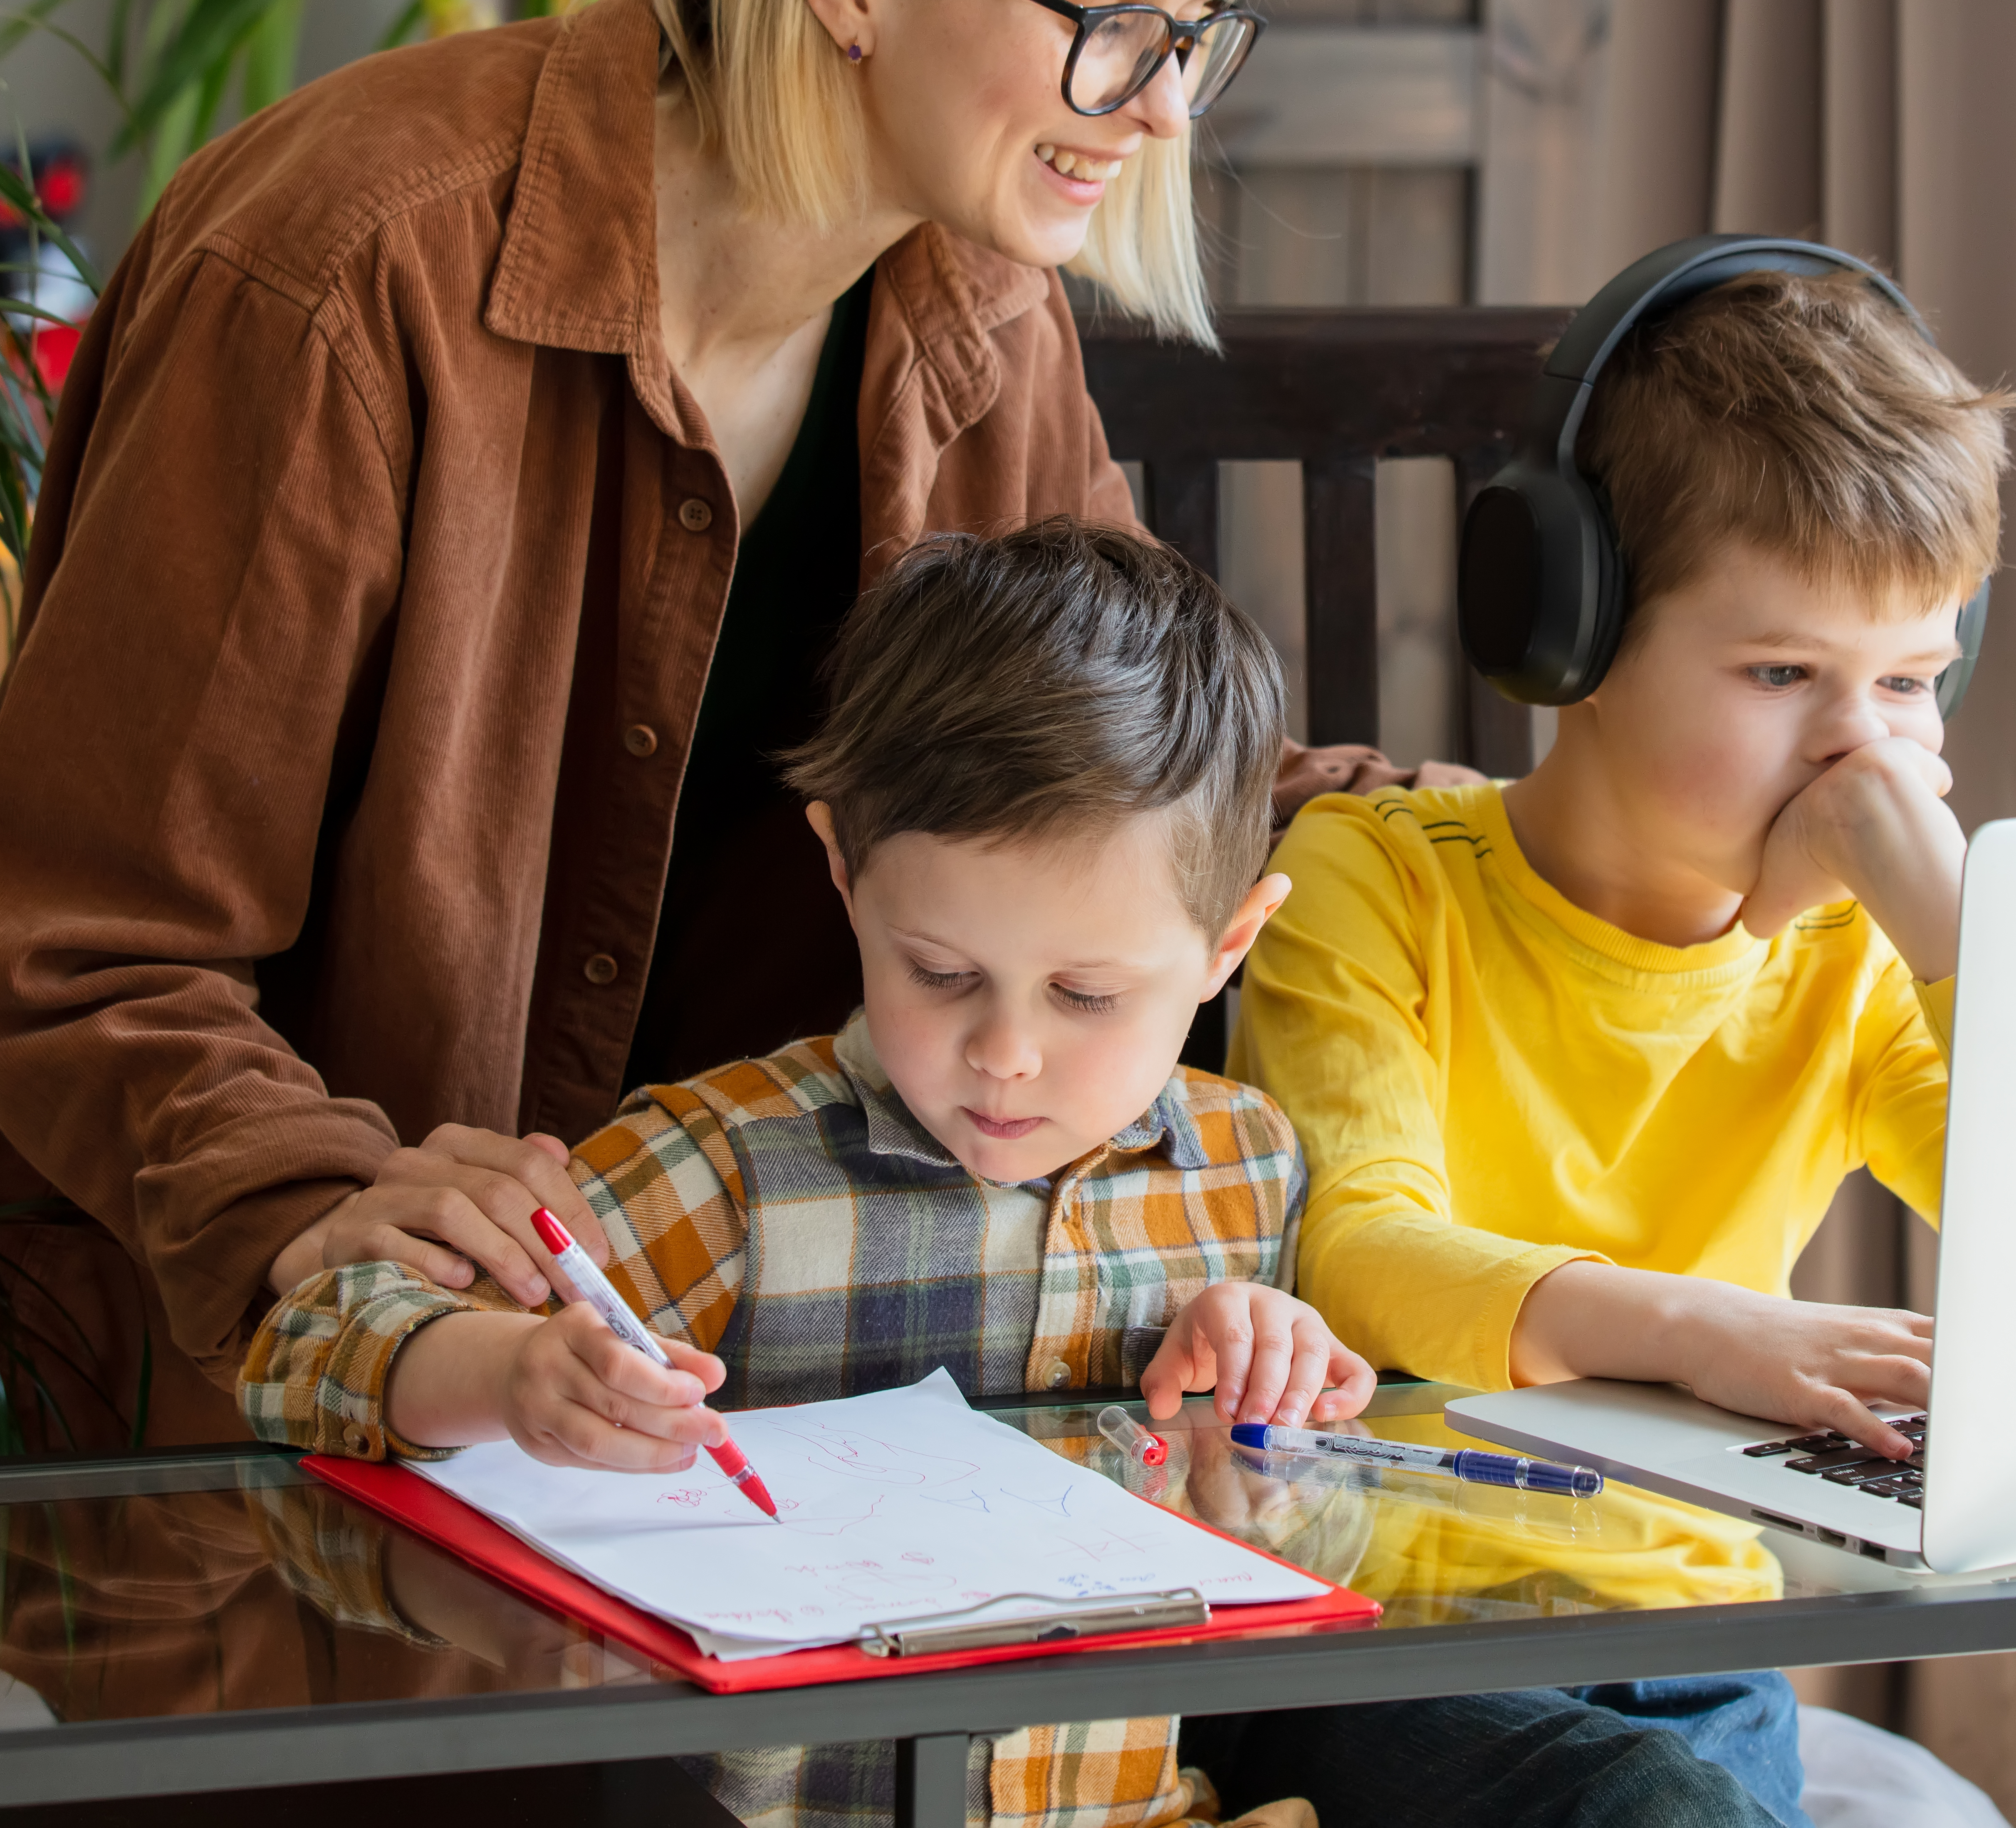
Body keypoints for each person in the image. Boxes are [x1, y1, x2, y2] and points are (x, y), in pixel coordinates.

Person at [0, 0, 1439, 1454]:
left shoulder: (979, 306)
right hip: (281, 1426)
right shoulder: (341, 271)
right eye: (1113, 28)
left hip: (749, 1411)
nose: (1163, 112)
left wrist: (1493, 835)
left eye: (1195, 36)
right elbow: (73, 944)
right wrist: (310, 1199)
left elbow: (1121, 791)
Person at [240, 522, 1775, 1828]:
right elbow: (304, 1346)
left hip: (1160, 1795)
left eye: (1089, 998)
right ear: (843, 872)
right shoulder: (727, 1170)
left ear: (1230, 943)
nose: (1004, 1058)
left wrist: (1288, 1366)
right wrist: (503, 1369)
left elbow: (1321, 1513)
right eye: (941, 971)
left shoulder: (1249, 1166)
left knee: (1646, 1799)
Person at [1226, 265, 2016, 1826]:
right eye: (1783, 673)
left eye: (1911, 684)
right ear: (1564, 630)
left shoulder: (1858, 956)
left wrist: (1943, 920)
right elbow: (1362, 1251)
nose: (1859, 747)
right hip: (1389, 1627)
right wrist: (1712, 1333)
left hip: (1698, 1635)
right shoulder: (1372, 883)